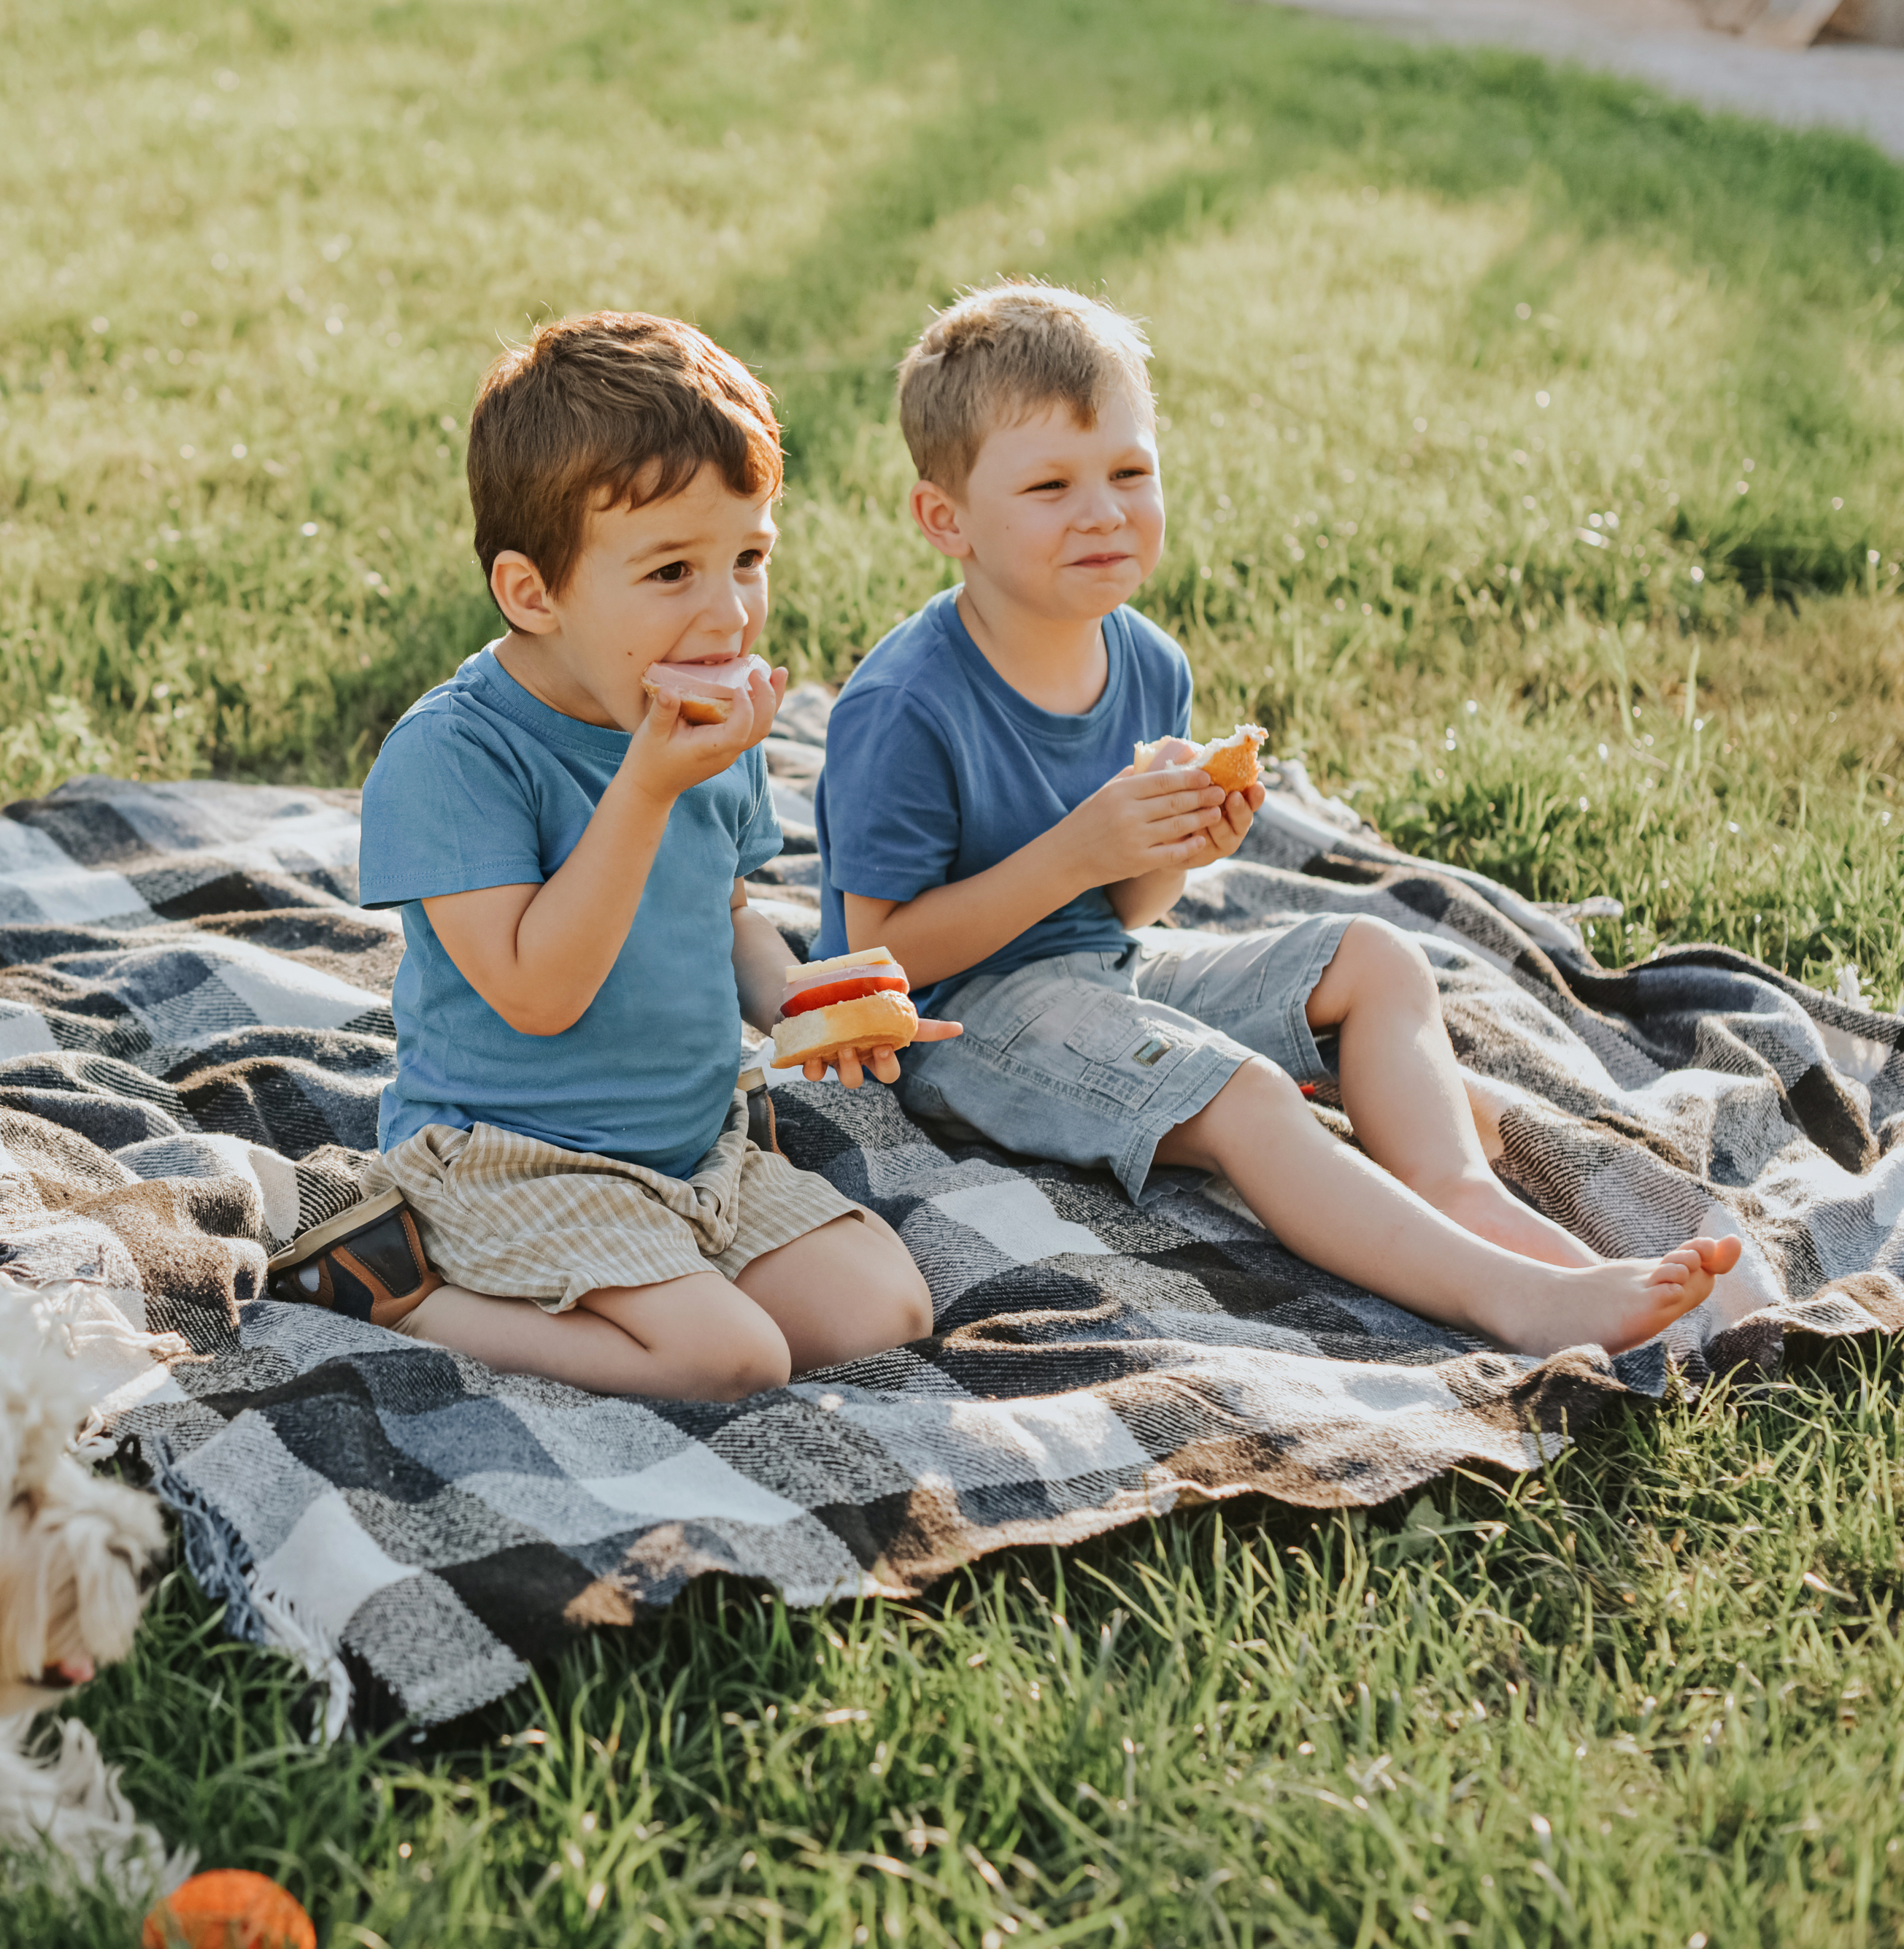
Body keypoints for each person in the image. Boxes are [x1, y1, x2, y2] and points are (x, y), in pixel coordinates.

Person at [812, 279, 1739, 1358]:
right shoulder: (906, 702)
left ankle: (1467, 1198)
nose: (1104, 511)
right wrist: (1080, 851)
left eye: (1130, 471)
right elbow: (877, 958)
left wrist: (1181, 848)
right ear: (946, 519)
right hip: (951, 1026)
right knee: (1248, 1094)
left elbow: (1127, 910)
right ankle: (1504, 1295)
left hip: (1103, 970)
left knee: (1378, 954)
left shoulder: (1146, 659)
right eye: (1050, 485)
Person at [277, 312, 952, 1401]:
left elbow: (723, 912)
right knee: (727, 1361)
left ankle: (650, 1272)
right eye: (673, 569)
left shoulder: (690, 706)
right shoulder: (454, 755)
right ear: (533, 591)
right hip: (511, 1158)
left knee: (884, 1311)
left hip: (687, 1153)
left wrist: (816, 1005)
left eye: (748, 557)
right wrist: (644, 788)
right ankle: (393, 1286)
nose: (728, 612)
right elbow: (537, 993)